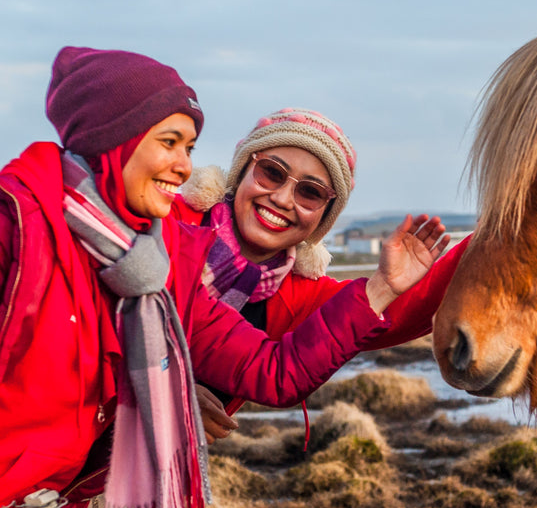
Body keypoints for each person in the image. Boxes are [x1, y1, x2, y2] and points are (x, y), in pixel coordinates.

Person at [0, 47, 448, 508]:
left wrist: (385, 287)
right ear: (113, 139)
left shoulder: (164, 264)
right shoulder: (19, 221)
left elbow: (276, 370)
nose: (185, 165)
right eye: (169, 142)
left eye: (188, 146)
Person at [172, 108, 470, 417]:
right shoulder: (168, 224)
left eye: (310, 193)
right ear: (242, 171)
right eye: (272, 172)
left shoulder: (299, 296)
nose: (283, 199)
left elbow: (400, 308)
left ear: (323, 219)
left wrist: (503, 230)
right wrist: (168, 393)